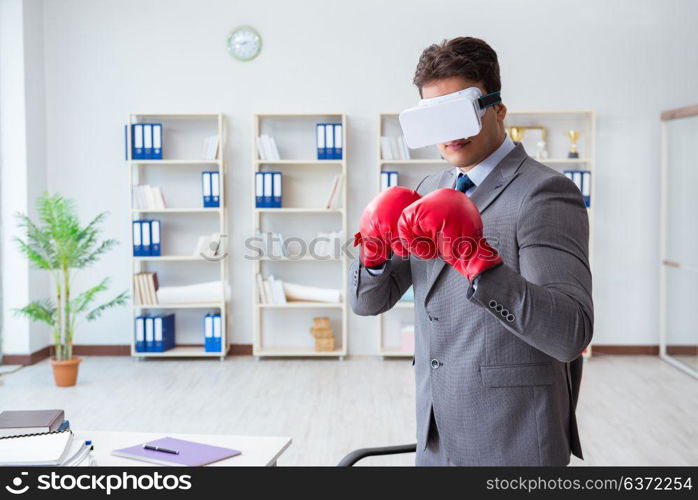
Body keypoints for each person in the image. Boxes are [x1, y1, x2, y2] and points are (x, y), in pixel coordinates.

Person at [349, 36, 593, 466]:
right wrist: (372, 252)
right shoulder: (427, 191)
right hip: (436, 434)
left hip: (513, 440)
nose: (450, 132)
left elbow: (569, 333)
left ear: (498, 110)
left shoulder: (546, 193)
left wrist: (479, 263)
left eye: (460, 113)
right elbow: (368, 302)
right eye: (435, 117)